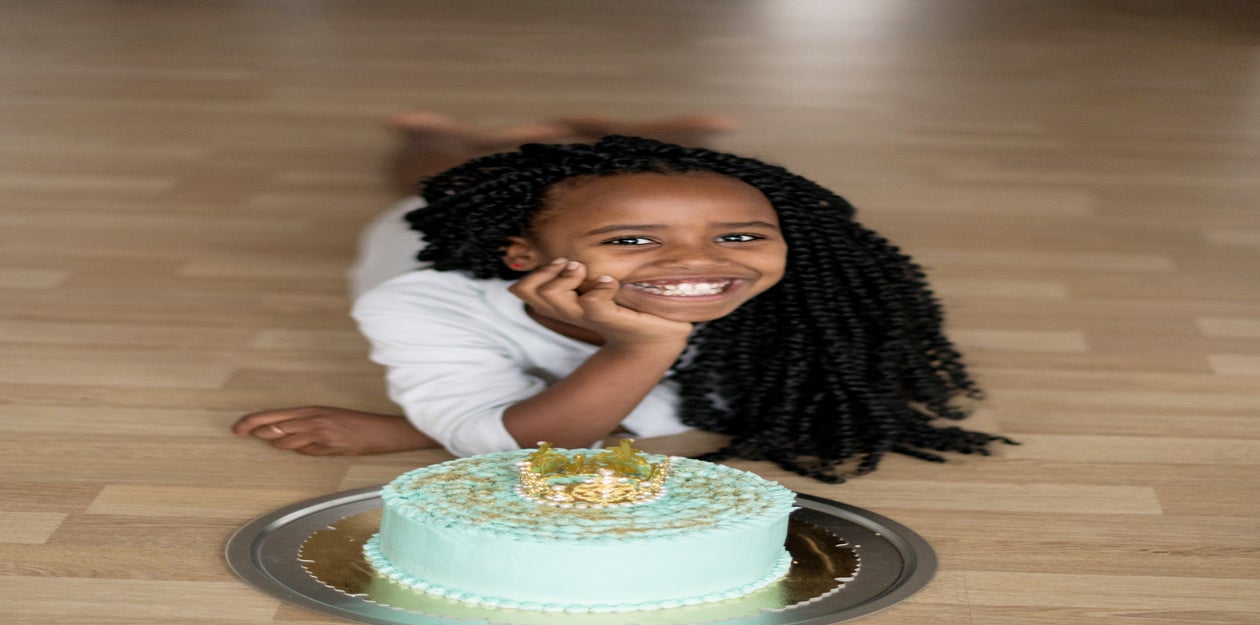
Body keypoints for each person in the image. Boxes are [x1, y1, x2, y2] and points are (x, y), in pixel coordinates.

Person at [233, 132, 1012, 482]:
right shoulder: (418, 305)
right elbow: (564, 434)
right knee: (446, 171)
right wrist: (640, 351)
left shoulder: (796, 308)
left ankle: (620, 138)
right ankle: (431, 133)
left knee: (619, 166)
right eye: (634, 240)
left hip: (566, 293)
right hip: (416, 232)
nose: (699, 262)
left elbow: (586, 430)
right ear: (525, 258)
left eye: (739, 233)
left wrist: (416, 430)